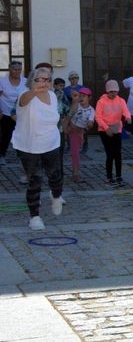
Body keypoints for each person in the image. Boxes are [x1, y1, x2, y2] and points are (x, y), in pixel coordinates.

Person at [11, 66, 63, 230]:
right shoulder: (24, 95)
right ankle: (34, 217)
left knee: (55, 176)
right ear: (31, 81)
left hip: (51, 142)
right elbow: (24, 101)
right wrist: (34, 90)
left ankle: (56, 196)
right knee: (35, 180)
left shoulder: (53, 96)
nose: (43, 82)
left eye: (47, 79)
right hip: (29, 146)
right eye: (39, 79)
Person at [95, 80, 132, 187]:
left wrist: (128, 117)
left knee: (118, 154)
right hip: (104, 129)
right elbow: (98, 117)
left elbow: (125, 111)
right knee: (110, 154)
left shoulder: (121, 100)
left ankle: (119, 176)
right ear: (107, 91)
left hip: (117, 129)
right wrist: (106, 128)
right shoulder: (101, 102)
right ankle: (109, 177)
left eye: (115, 91)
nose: (113, 93)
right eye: (111, 91)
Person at [65, 88, 95, 183]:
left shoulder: (91, 110)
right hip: (71, 130)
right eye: (80, 96)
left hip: (79, 131)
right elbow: (68, 117)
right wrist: (67, 127)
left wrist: (89, 124)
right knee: (74, 153)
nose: (81, 98)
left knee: (76, 152)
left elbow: (90, 123)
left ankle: (75, 173)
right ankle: (75, 174)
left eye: (84, 96)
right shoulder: (76, 105)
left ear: (89, 98)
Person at [0, 60, 26, 166]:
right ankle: (1, 155)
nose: (17, 71)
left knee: (21, 134)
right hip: (6, 112)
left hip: (21, 113)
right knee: (6, 135)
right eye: (15, 69)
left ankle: (21, 155)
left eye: (19, 69)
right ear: (10, 69)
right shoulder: (2, 81)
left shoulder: (25, 81)